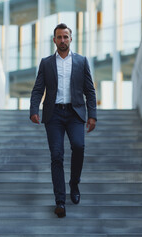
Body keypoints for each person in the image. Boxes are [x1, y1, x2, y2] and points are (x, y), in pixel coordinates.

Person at [30, 23, 97, 218]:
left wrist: (92, 114)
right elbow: (38, 89)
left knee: (79, 146)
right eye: (59, 37)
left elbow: (90, 91)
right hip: (54, 115)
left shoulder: (81, 62)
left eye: (65, 37)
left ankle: (74, 183)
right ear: (54, 40)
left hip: (75, 113)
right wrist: (34, 109)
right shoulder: (46, 63)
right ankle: (60, 200)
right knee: (56, 156)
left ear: (70, 38)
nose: (62, 40)